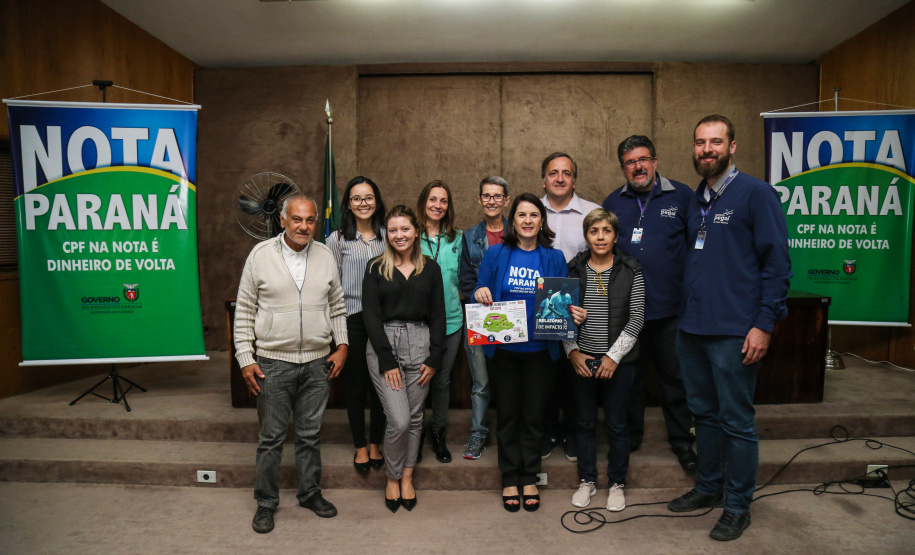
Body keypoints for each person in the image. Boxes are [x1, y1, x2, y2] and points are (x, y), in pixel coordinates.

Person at [667, 115, 791, 541]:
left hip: (735, 331)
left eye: (716, 142)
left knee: (736, 420)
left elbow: (777, 265)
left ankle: (737, 506)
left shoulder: (757, 194)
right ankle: (708, 487)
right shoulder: (695, 199)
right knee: (704, 415)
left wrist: (764, 324)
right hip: (692, 329)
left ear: (732, 146)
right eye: (700, 142)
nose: (707, 149)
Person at [234, 194, 348, 534]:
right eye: (296, 219)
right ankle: (266, 502)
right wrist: (245, 357)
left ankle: (310, 493)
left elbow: (337, 306)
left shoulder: (325, 255)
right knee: (271, 437)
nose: (304, 226)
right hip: (273, 363)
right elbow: (244, 309)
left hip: (317, 363)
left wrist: (342, 346)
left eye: (310, 220)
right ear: (283, 220)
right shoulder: (260, 255)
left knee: (310, 435)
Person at [603, 135, 699, 471]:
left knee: (675, 379)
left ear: (655, 162)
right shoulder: (613, 202)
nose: (638, 167)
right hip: (628, 314)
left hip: (671, 310)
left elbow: (697, 247)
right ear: (623, 168)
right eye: (630, 162)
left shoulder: (682, 196)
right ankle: (629, 438)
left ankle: (682, 441)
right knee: (630, 380)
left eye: (643, 159)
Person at [473, 192, 569, 512]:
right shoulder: (496, 254)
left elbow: (563, 302)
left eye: (534, 215)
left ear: (542, 221)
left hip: (542, 350)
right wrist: (480, 291)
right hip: (504, 351)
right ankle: (509, 477)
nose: (528, 221)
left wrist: (575, 312)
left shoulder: (554, 257)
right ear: (512, 221)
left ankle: (529, 476)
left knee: (534, 415)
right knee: (509, 415)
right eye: (522, 215)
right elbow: (479, 289)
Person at [363, 205, 446, 513]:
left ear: (416, 231)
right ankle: (392, 476)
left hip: (421, 344)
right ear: (387, 234)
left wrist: (434, 357)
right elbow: (371, 317)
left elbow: (439, 315)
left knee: (415, 418)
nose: (399, 235)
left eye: (405, 229)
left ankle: (407, 477)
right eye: (393, 230)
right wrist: (386, 359)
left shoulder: (431, 268)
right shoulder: (375, 267)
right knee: (398, 420)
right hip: (385, 345)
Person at [565, 208, 644, 512]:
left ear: (615, 236)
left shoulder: (631, 269)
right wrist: (573, 351)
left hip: (619, 363)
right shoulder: (574, 269)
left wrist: (613, 357)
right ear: (586, 236)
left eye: (606, 231)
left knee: (617, 425)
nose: (600, 237)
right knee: (584, 424)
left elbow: (637, 318)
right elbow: (559, 318)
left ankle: (616, 484)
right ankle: (587, 481)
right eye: (594, 231)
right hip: (582, 360)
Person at [539, 152, 600, 462]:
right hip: (544, 306)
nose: (560, 178)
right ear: (544, 180)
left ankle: (574, 433)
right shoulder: (532, 212)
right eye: (553, 173)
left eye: (566, 173)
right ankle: (549, 430)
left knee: (577, 376)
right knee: (546, 375)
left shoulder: (593, 212)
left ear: (574, 180)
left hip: (582, 305)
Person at [327, 176, 387, 473]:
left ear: (377, 200)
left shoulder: (389, 236)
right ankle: (360, 446)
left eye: (368, 197)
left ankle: (376, 443)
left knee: (381, 386)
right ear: (348, 205)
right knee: (356, 385)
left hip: (385, 321)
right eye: (356, 198)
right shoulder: (337, 240)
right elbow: (330, 287)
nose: (363, 203)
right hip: (352, 319)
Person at [458, 176, 510, 459]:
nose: (492, 201)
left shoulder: (520, 232)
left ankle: (513, 433)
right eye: (486, 196)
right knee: (481, 383)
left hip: (514, 320)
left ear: (506, 200)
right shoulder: (469, 237)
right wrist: (477, 291)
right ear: (479, 199)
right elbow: (466, 279)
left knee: (512, 381)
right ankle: (478, 432)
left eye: (497, 196)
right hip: (480, 318)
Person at [416, 180, 463, 464]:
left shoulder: (458, 238)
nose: (438, 205)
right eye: (433, 199)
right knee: (419, 381)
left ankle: (438, 433)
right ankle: (416, 435)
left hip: (452, 322)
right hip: (419, 324)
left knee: (442, 381)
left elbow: (466, 278)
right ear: (424, 202)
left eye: (443, 201)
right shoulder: (411, 235)